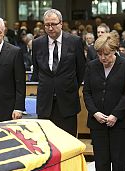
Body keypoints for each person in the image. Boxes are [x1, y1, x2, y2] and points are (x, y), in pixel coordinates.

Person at [83, 32, 125, 171]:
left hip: (121, 123)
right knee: (101, 163)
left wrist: (115, 115)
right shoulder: (92, 66)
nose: (102, 58)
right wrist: (95, 113)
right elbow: (87, 93)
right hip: (97, 123)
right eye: (99, 54)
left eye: (106, 54)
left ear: (114, 50)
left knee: (119, 164)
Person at [31, 9, 86, 137]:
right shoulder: (37, 43)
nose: (50, 28)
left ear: (61, 23)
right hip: (46, 102)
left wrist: (69, 86)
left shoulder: (74, 42)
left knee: (68, 140)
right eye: (47, 25)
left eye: (53, 24)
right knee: (47, 142)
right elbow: (37, 71)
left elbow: (81, 70)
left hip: (67, 100)